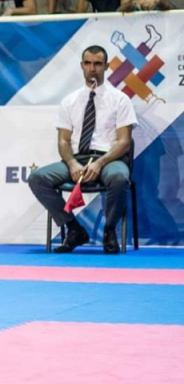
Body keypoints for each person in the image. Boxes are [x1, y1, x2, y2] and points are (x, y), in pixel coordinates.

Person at [27, 46, 136, 254]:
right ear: (81, 66)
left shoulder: (120, 99)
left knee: (119, 177)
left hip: (109, 160)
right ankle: (74, 229)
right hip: (77, 159)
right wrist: (71, 163)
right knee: (37, 178)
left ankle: (109, 231)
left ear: (106, 66)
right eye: (88, 63)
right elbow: (63, 141)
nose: (92, 69)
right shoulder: (69, 101)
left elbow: (124, 142)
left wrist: (100, 163)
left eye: (98, 64)